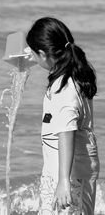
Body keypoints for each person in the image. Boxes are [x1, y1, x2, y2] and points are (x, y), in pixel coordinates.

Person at [26, 17, 100, 215]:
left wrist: (63, 181)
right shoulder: (72, 72)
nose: (31, 57)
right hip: (72, 169)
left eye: (33, 53)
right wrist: (33, 54)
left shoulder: (63, 88)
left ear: (44, 53)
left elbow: (66, 131)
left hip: (70, 173)